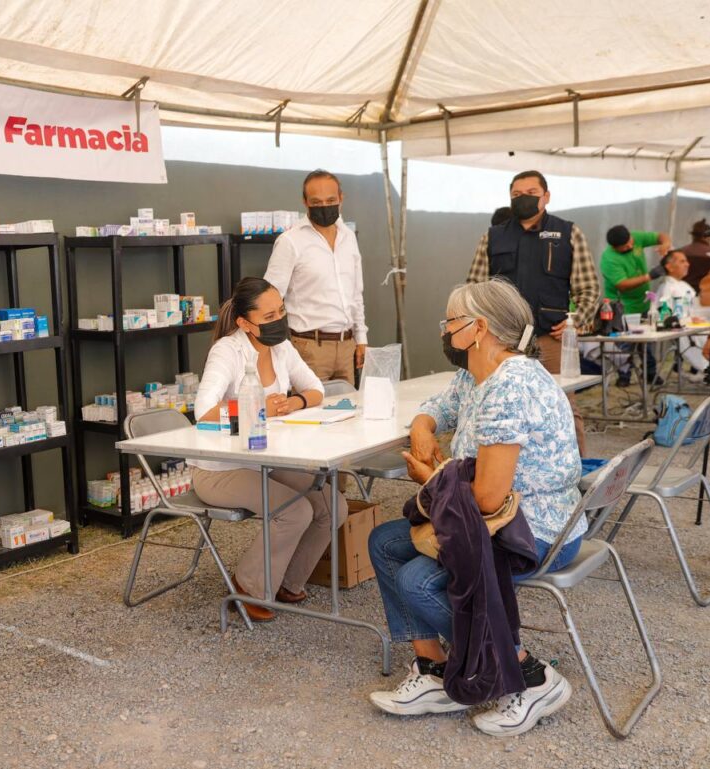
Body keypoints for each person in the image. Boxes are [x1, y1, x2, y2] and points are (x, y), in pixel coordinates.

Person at [367, 279, 583, 737]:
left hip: (537, 530)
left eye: (450, 322)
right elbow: (439, 407)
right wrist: (423, 426)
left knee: (417, 581)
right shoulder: (477, 373)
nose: (445, 330)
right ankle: (434, 669)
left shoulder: (511, 386)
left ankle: (528, 675)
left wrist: (432, 480)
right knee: (384, 542)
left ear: (478, 328)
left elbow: (485, 498)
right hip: (502, 521)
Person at [189, 277, 344, 622]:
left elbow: (316, 389)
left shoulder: (281, 348)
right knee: (295, 511)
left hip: (265, 459)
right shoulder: (227, 351)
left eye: (282, 311)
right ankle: (248, 587)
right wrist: (262, 408)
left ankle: (288, 583)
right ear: (244, 323)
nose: (279, 320)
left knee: (333, 505)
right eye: (269, 315)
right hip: (220, 469)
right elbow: (203, 413)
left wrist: (295, 401)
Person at [468, 170, 598, 455]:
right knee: (500, 407)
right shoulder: (493, 236)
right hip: (504, 343)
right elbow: (475, 288)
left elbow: (588, 288)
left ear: (546, 197)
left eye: (531, 193)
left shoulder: (568, 232)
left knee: (563, 405)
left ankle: (576, 475)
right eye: (516, 195)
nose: (523, 199)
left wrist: (575, 321)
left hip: (550, 339)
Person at [264, 169, 367, 385]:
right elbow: (270, 298)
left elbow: (356, 294)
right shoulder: (290, 241)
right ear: (305, 201)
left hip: (347, 345)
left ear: (341, 198)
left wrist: (361, 339)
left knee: (349, 414)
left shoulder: (348, 238)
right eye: (316, 201)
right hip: (308, 348)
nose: (324, 206)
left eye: (330, 200)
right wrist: (276, 347)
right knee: (310, 415)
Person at [600, 224, 670, 387]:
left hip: (642, 303)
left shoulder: (635, 237)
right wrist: (649, 276)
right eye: (625, 247)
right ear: (614, 247)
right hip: (621, 307)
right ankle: (624, 374)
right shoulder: (609, 259)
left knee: (647, 342)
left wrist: (665, 244)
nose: (631, 246)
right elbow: (622, 284)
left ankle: (650, 373)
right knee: (624, 344)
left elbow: (661, 235)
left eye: (631, 242)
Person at [656, 250, 709, 382]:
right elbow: (665, 317)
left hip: (697, 328)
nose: (687, 264)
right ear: (669, 266)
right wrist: (688, 320)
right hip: (686, 333)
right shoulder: (667, 288)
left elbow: (696, 308)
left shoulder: (685, 286)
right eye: (682, 261)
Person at [679, 218, 710, 293]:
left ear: (693, 236)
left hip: (682, 293)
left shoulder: (679, 252)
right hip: (707, 295)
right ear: (709, 236)